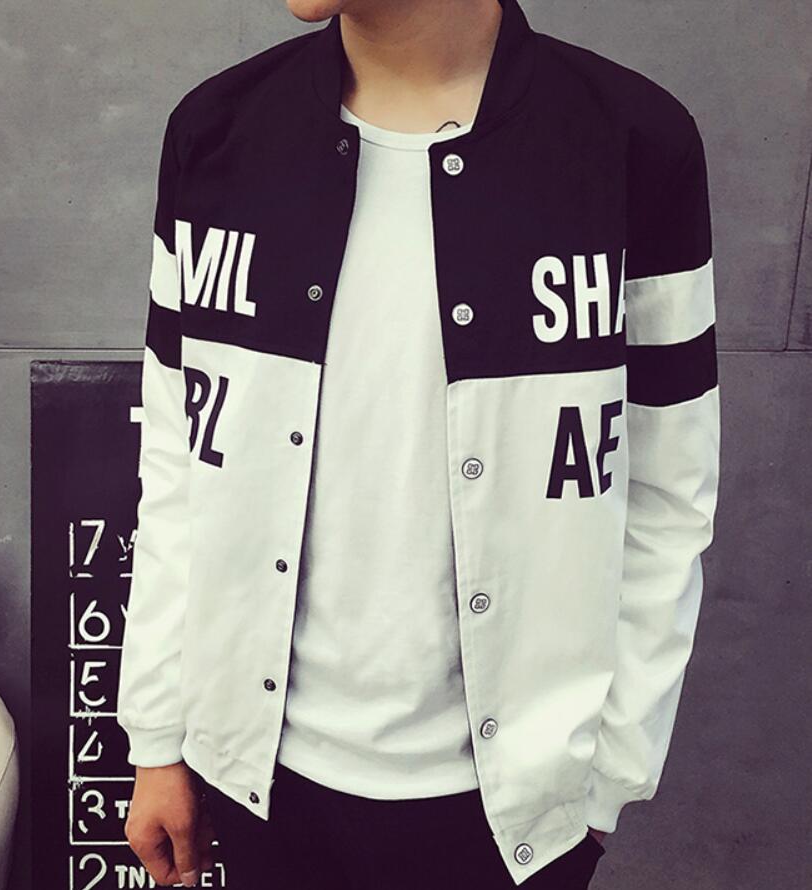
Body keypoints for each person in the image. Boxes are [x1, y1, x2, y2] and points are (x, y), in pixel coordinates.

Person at [116, 0, 720, 887]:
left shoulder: (633, 143)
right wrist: (159, 737)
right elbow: (178, 463)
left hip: (515, 816)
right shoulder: (215, 132)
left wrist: (603, 785)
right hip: (257, 783)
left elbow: (668, 490)